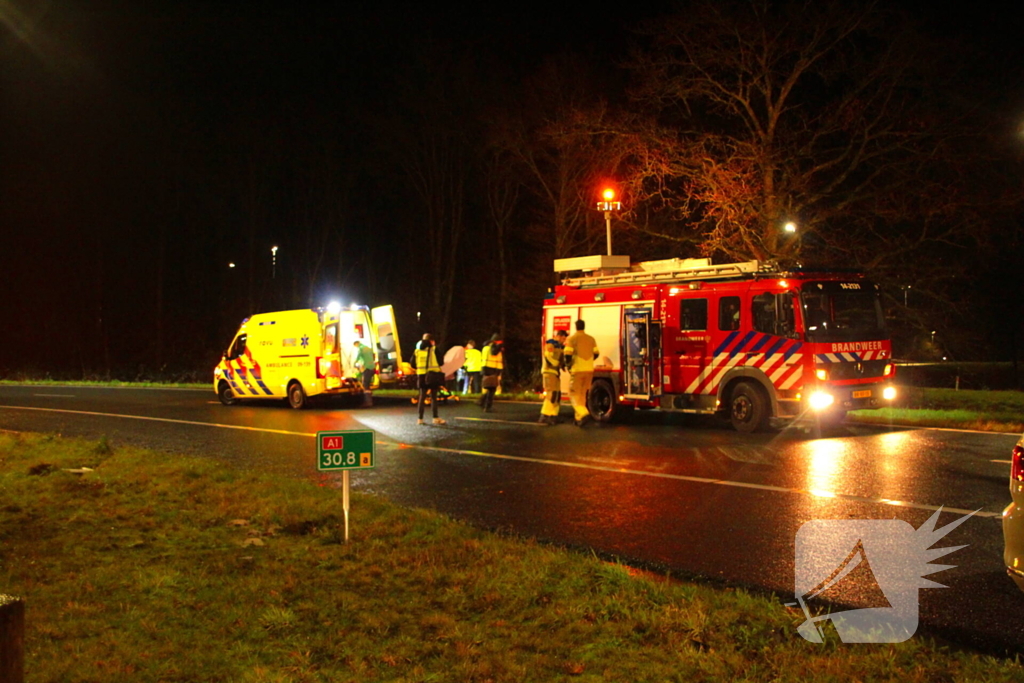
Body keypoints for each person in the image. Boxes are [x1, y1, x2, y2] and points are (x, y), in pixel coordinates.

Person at [564, 319, 599, 426]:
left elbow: (568, 354)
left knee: (573, 393)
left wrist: (568, 365)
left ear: (576, 327)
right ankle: (579, 419)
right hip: (589, 370)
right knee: (582, 394)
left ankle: (583, 414)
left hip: (577, 370)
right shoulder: (591, 339)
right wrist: (588, 362)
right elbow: (596, 353)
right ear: (584, 326)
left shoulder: (572, 339)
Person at [413, 334, 446, 425]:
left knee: (422, 397)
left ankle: (420, 419)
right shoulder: (435, 349)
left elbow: (412, 364)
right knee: (434, 397)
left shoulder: (417, 351)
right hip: (432, 375)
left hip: (421, 376)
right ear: (431, 341)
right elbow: (441, 362)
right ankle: (435, 418)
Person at [538, 329, 568, 425]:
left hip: (555, 372)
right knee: (552, 394)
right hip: (548, 371)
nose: (564, 340)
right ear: (558, 336)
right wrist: (557, 364)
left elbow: (561, 359)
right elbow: (548, 357)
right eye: (563, 338)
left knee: (557, 395)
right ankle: (544, 415)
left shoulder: (560, 347)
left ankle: (553, 416)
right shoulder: (551, 345)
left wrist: (563, 366)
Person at [479, 334, 504, 413]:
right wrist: (499, 346)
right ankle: (487, 407)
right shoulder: (493, 346)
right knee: (492, 389)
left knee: (490, 388)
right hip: (491, 369)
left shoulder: (486, 347)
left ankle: (481, 401)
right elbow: (494, 353)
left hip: (486, 369)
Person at [352, 340, 375, 407]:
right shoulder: (368, 348)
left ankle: (368, 402)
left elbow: (358, 358)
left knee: (365, 385)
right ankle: (370, 401)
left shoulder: (361, 349)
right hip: (372, 367)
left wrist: (354, 364)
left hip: (367, 368)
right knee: (368, 384)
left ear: (356, 344)